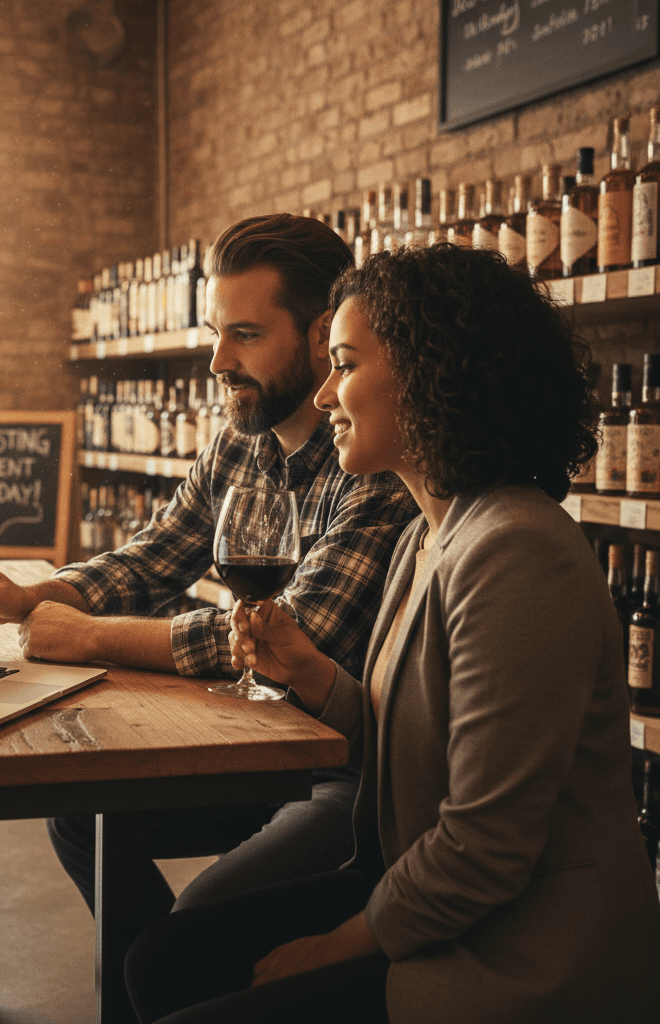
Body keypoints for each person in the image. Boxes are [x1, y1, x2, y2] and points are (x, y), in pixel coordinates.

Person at [123, 243, 660, 1024]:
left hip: (521, 952)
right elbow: (411, 745)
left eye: (344, 365)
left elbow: (486, 844)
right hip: (436, 897)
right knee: (160, 959)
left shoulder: (518, 551)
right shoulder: (426, 535)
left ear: (431, 374)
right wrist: (315, 678)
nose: (325, 394)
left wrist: (336, 945)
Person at [0, 214, 417, 920]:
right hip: (251, 740)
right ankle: (166, 976)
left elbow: (295, 633)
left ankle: (176, 967)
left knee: (189, 926)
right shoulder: (239, 444)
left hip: (336, 766)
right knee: (83, 817)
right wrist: (31, 597)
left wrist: (89, 637)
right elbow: (154, 557)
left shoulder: (373, 461)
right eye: (216, 333)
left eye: (245, 335)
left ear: (320, 336)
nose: (218, 362)